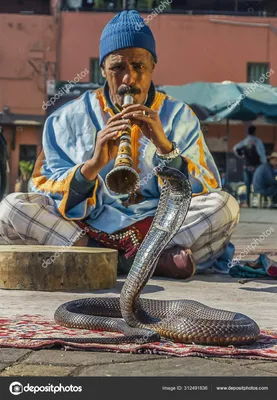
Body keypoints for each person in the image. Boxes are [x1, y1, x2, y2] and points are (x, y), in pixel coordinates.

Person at [0, 10, 239, 279]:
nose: (129, 79)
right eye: (118, 68)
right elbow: (43, 186)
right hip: (88, 227)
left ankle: (113, 258)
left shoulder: (180, 116)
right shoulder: (67, 118)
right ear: (102, 69)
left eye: (139, 67)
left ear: (152, 68)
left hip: (157, 226)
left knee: (224, 206)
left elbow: (205, 184)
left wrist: (165, 149)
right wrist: (91, 167)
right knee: (12, 208)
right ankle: (137, 260)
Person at [233, 125, 267, 207]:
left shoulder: (244, 142)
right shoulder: (257, 141)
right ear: (255, 132)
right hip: (256, 167)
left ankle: (248, 202)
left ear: (247, 132)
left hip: (246, 166)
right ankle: (257, 203)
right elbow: (261, 153)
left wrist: (241, 155)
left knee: (248, 185)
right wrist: (265, 163)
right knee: (257, 184)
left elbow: (235, 148)